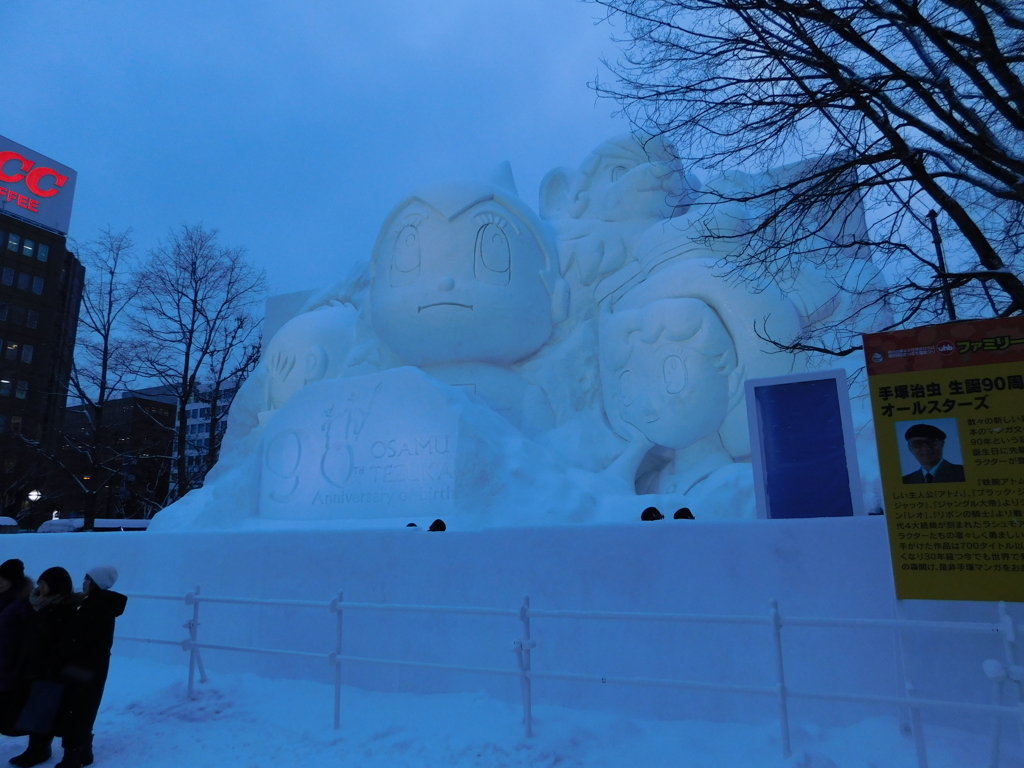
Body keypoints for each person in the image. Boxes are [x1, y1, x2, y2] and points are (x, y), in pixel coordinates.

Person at [53, 567, 126, 768]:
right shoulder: (100, 605)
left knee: (75, 710)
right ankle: (84, 752)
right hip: (91, 668)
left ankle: (72, 758)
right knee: (83, 709)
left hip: (82, 668)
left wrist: (59, 653)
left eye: (87, 579)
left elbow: (77, 639)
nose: (83, 582)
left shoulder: (95, 608)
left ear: (96, 583)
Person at [8, 567, 77, 768]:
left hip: (48, 669)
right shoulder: (37, 605)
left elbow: (61, 643)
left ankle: (39, 749)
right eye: (40, 583)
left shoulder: (63, 610)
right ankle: (34, 748)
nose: (41, 587)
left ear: (56, 587)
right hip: (30, 665)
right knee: (33, 708)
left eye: (45, 584)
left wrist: (51, 664)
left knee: (42, 709)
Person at [0, 561, 33, 736]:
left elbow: (25, 637)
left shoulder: (22, 604)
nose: (0, 582)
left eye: (4, 579)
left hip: (8, 665)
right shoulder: (4, 600)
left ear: (15, 581)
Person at [901, 424, 966, 484]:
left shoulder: (964, 473)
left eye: (931, 442)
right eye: (918, 443)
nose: (926, 448)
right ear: (910, 448)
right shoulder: (905, 481)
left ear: (942, 444)